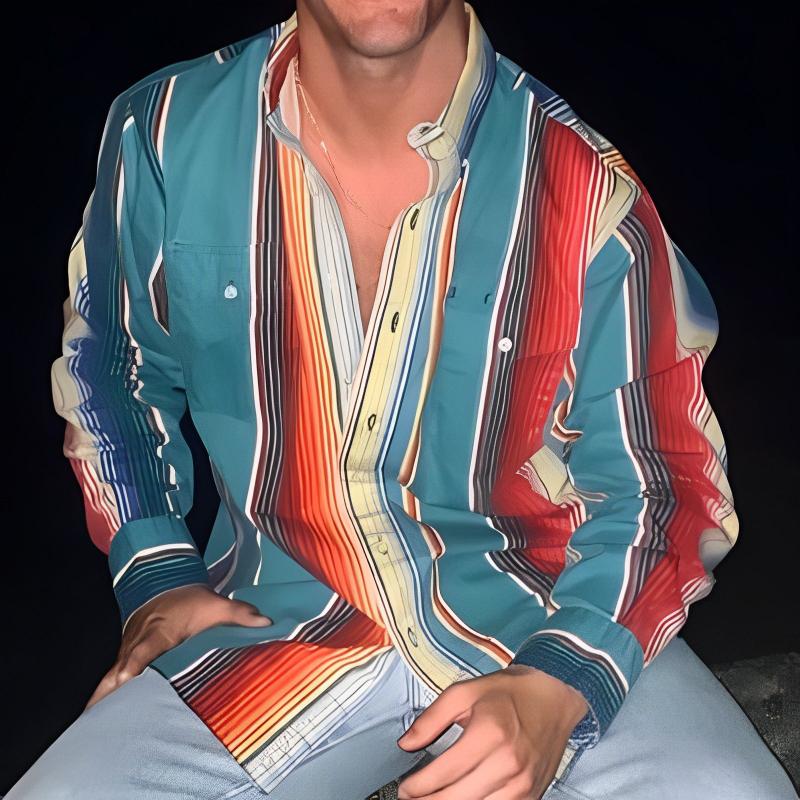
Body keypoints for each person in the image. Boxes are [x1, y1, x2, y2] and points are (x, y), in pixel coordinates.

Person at [7, 1, 797, 798]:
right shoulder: (165, 132)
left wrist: (566, 679)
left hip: (545, 606)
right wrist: (155, 569)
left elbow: (665, 476)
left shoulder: (583, 185)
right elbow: (111, 365)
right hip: (277, 622)